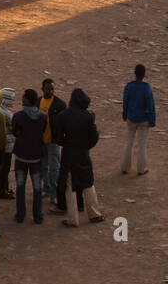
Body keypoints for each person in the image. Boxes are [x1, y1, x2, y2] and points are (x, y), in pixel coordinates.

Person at [55, 88, 103, 227]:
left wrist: (67, 143)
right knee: (88, 183)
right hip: (83, 154)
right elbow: (93, 137)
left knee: (70, 187)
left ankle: (73, 219)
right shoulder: (88, 116)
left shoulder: (62, 116)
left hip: (69, 155)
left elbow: (58, 138)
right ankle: (94, 214)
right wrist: (85, 146)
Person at [11, 88, 48, 224]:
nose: (22, 99)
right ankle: (37, 216)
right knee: (37, 187)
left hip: (21, 156)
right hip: (37, 156)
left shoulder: (18, 117)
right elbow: (43, 131)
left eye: (23, 97)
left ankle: (21, 215)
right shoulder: (43, 117)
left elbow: (15, 132)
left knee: (20, 186)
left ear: (27, 100)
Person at [121, 64, 155, 175]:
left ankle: (125, 167)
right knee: (142, 145)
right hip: (143, 119)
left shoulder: (129, 86)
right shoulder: (146, 88)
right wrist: (152, 120)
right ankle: (141, 168)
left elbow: (125, 102)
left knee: (128, 143)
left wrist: (125, 115)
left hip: (131, 117)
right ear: (144, 75)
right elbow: (150, 105)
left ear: (134, 73)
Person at [39, 77, 66, 205]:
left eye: (52, 89)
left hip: (54, 141)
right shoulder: (38, 102)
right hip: (41, 141)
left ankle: (54, 194)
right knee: (43, 167)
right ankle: (47, 188)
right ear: (42, 89)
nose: (50, 91)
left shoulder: (60, 105)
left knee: (54, 168)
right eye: (47, 89)